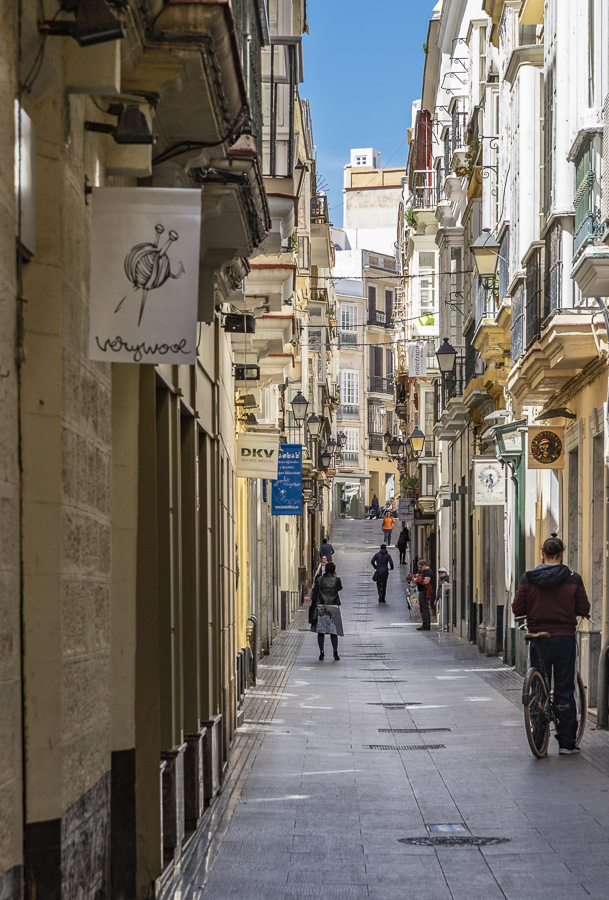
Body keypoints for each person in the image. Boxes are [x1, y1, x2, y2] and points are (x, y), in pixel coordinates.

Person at [512, 534, 590, 754]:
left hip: (538, 637)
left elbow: (518, 609)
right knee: (565, 687)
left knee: (538, 689)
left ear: (542, 553)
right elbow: (583, 608)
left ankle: (539, 741)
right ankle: (566, 743)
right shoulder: (573, 578)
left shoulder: (528, 578)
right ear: (562, 554)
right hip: (564, 638)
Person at [309, 561, 343, 661]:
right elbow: (339, 588)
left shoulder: (319, 579)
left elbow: (315, 592)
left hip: (322, 606)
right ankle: (335, 652)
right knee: (333, 632)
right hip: (333, 606)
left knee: (321, 631)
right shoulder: (337, 580)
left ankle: (321, 652)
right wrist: (335, 576)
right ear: (333, 570)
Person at [415, 559, 434, 631]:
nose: (420, 569)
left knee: (424, 608)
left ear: (424, 565)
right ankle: (425, 624)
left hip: (424, 591)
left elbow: (426, 581)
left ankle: (426, 625)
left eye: (420, 567)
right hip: (423, 591)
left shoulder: (428, 572)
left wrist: (417, 581)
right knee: (423, 608)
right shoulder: (425, 572)